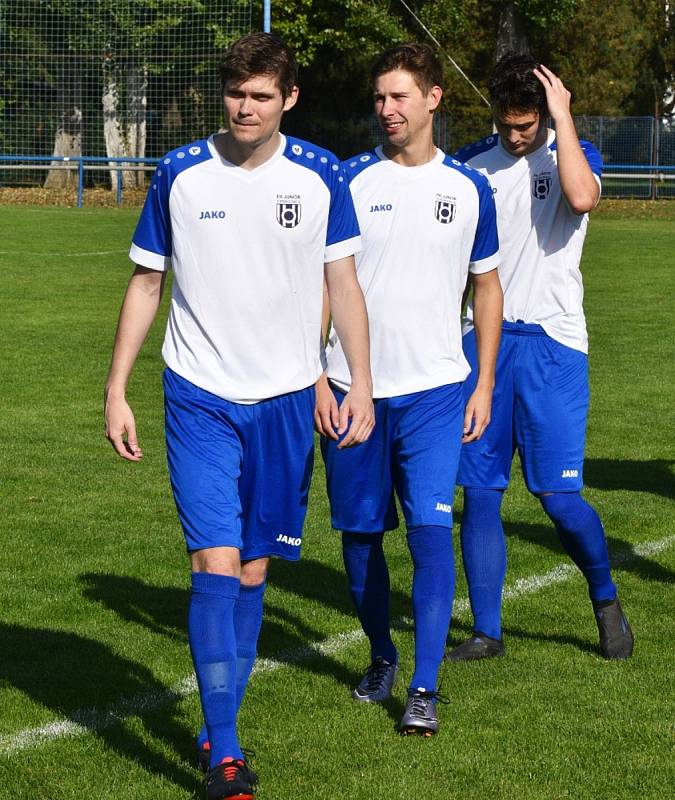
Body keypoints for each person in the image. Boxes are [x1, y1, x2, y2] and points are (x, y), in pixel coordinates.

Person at [104, 32, 374, 800]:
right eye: (234, 94)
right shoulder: (181, 173)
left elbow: (345, 287)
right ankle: (225, 752)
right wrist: (116, 387)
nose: (244, 108)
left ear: (288, 99)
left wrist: (356, 382)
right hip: (198, 395)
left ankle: (218, 720)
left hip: (289, 400)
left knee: (254, 568)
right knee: (214, 563)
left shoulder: (322, 175)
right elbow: (146, 284)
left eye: (260, 96)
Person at [315, 43, 503, 736]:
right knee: (360, 539)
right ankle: (382, 654)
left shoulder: (468, 188)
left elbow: (486, 288)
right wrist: (316, 377)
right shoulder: (347, 180)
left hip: (434, 393)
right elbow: (318, 287)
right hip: (350, 391)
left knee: (430, 534)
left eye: (398, 96)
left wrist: (481, 381)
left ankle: (423, 687)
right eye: (378, 98)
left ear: (432, 99)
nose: (385, 109)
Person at [447, 52, 633, 663]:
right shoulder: (472, 163)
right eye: (507, 125)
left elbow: (581, 200)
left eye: (527, 125)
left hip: (554, 346)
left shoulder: (571, 154)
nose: (515, 135)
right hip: (484, 345)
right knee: (480, 492)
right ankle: (487, 631)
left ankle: (604, 595)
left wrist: (562, 117)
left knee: (558, 498)